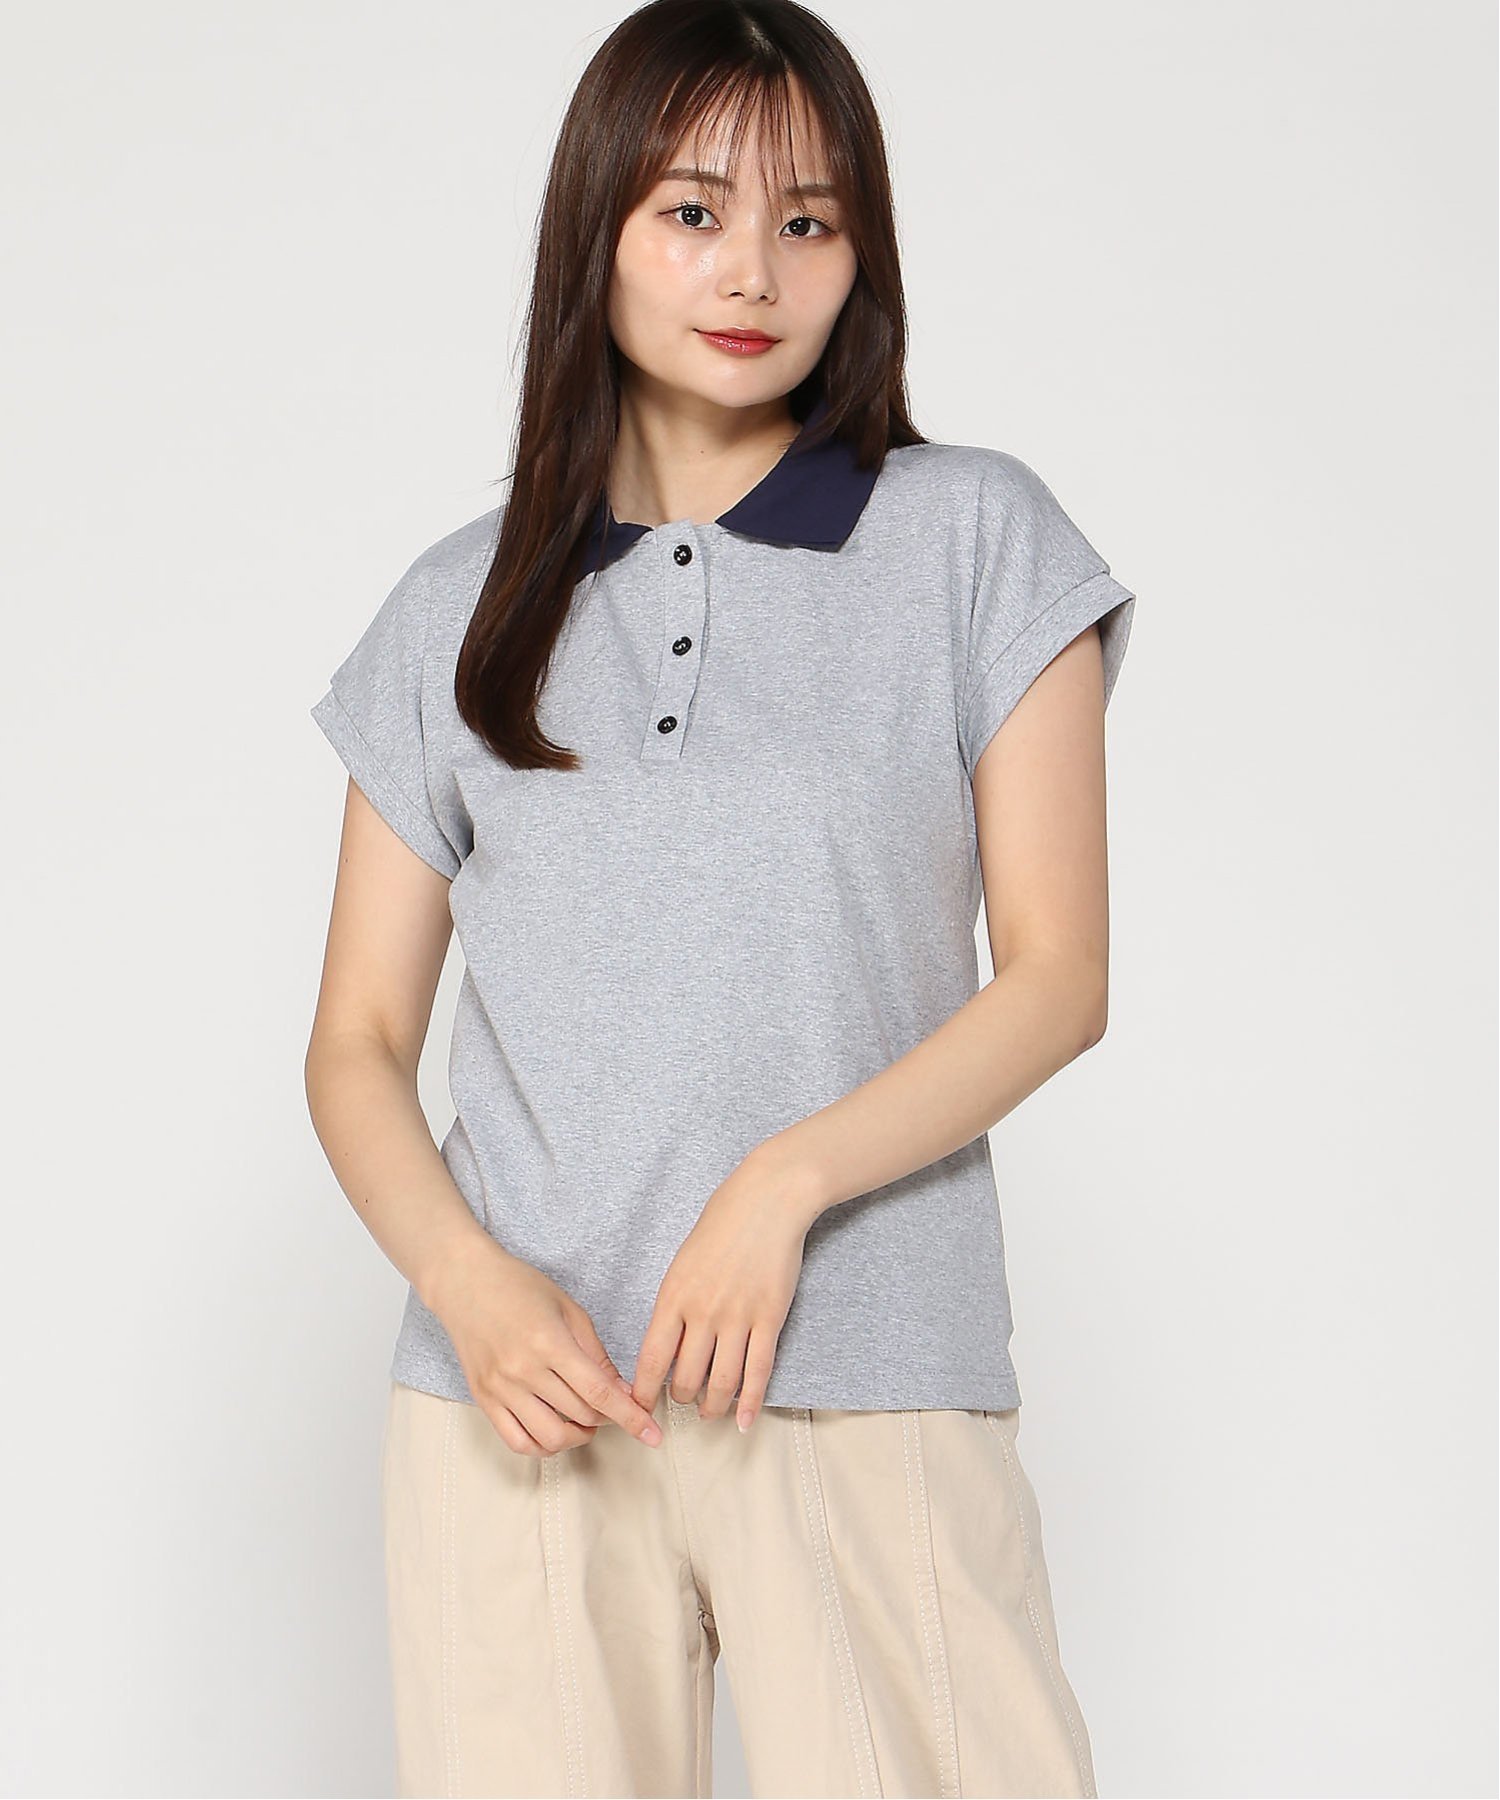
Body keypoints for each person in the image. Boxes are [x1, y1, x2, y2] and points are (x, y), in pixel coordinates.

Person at [304, 2, 1135, 1794]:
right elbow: (357, 1040)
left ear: (861, 254)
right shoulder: (456, 603)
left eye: (808, 220)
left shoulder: (974, 539)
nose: (752, 268)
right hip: (521, 1397)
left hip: (859, 1357)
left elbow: (1060, 974)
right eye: (692, 210)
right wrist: (466, 1281)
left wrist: (784, 1183)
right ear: (596, 226)